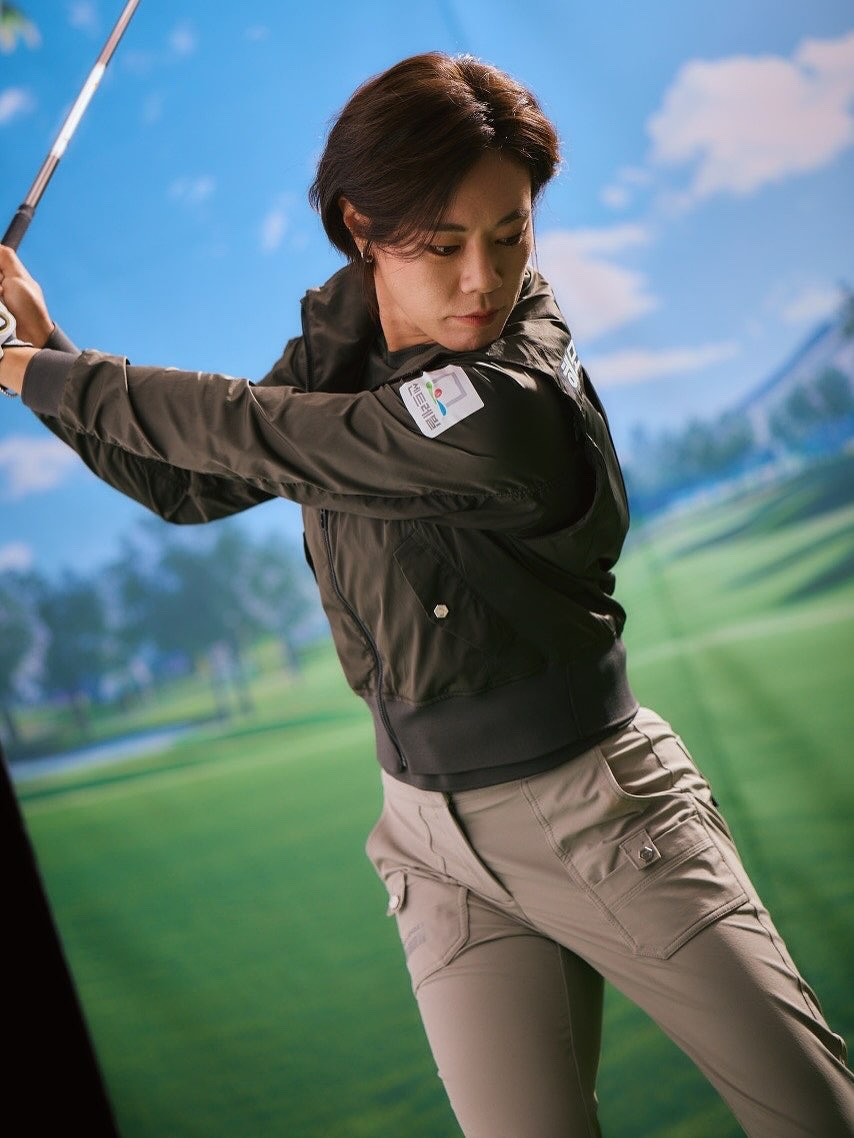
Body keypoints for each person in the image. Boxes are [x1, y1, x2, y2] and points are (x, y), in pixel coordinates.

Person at [0, 51, 851, 1138]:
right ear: (361, 226)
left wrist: (25, 369)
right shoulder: (338, 352)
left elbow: (257, 431)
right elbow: (188, 480)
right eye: (443, 245)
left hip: (600, 817)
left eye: (511, 234)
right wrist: (40, 342)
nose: (482, 280)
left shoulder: (510, 397)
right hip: (428, 842)